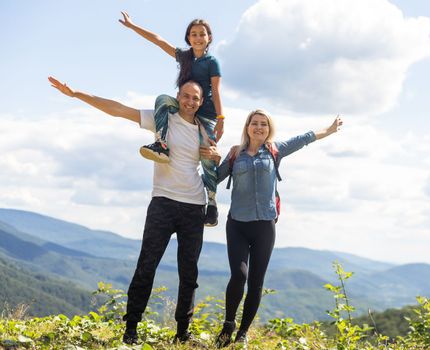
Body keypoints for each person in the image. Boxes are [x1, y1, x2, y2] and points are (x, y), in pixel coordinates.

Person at [48, 76, 210, 346]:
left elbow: (214, 160)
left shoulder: (205, 130)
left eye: (195, 98)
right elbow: (118, 109)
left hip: (194, 204)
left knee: (189, 273)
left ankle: (183, 333)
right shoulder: (162, 118)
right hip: (163, 202)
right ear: (177, 96)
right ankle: (131, 327)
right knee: (147, 265)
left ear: (201, 102)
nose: (190, 101)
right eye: (185, 95)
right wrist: (77, 94)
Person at [200, 110, 343, 348]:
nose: (258, 127)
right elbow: (215, 177)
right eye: (254, 123)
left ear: (269, 128)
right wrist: (213, 159)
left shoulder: (275, 150)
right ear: (247, 127)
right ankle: (228, 325)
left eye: (263, 124)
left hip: (265, 225)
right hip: (237, 224)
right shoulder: (236, 153)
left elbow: (304, 138)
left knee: (256, 281)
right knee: (239, 275)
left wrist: (328, 130)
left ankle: (243, 333)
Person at [119, 12, 223, 227]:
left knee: (207, 155)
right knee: (163, 100)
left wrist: (221, 118)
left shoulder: (212, 61)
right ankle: (161, 144)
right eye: (193, 34)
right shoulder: (184, 57)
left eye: (202, 34)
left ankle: (211, 202)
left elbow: (215, 89)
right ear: (188, 38)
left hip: (206, 112)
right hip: (184, 103)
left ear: (209, 38)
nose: (198, 38)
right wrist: (132, 26)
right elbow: (158, 41)